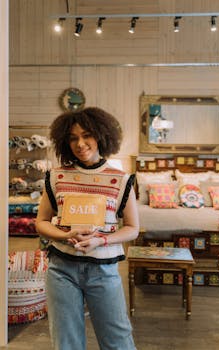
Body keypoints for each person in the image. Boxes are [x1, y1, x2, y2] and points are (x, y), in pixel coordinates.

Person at [36, 107, 139, 350]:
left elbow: (133, 228)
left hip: (103, 270)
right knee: (66, 343)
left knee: (118, 341)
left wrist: (100, 241)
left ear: (101, 135)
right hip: (61, 270)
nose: (80, 144)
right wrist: (65, 234)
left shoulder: (121, 180)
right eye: (72, 138)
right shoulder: (55, 177)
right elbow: (41, 222)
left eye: (86, 135)